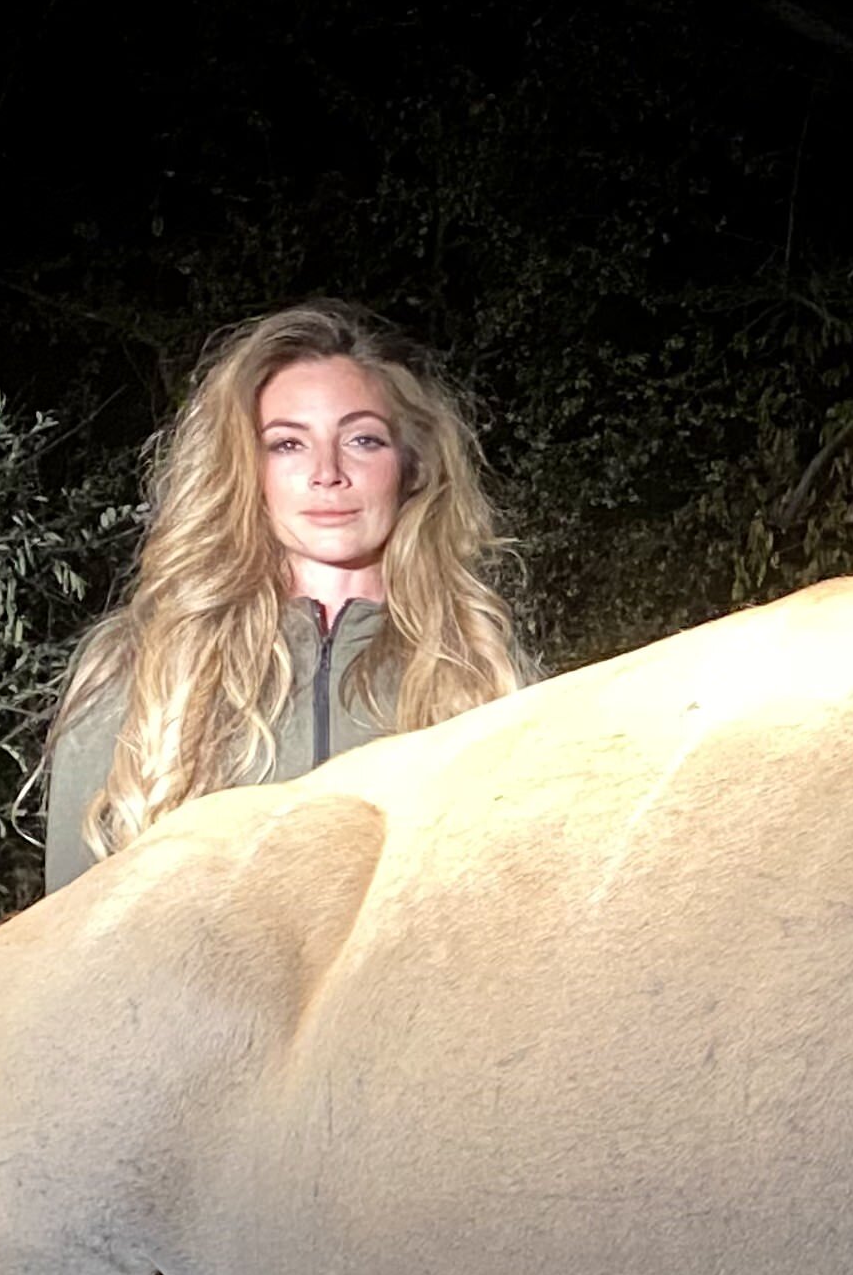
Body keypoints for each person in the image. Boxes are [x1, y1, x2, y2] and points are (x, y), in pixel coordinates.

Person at [45, 301, 528, 892]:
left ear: (413, 465)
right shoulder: (140, 667)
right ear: (246, 468)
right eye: (288, 445)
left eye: (363, 440)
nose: (328, 472)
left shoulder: (487, 675)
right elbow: (68, 937)